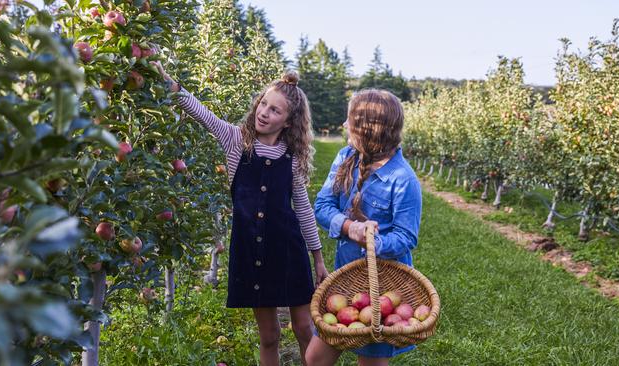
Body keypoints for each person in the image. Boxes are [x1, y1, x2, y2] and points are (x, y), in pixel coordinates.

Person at [152, 61, 329, 366]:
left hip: (288, 250)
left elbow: (302, 208)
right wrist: (174, 87)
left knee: (303, 328)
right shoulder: (236, 141)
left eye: (275, 110)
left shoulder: (292, 158)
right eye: (264, 104)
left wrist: (318, 257)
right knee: (270, 335)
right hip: (252, 251)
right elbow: (204, 115)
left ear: (288, 121)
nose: (264, 112)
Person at [306, 89, 422, 365]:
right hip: (346, 279)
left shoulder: (403, 180)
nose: (344, 125)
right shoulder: (346, 157)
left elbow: (406, 237)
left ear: (369, 129)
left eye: (350, 121)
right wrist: (348, 228)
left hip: (381, 290)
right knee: (314, 358)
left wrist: (371, 242)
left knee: (369, 362)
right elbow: (321, 207)